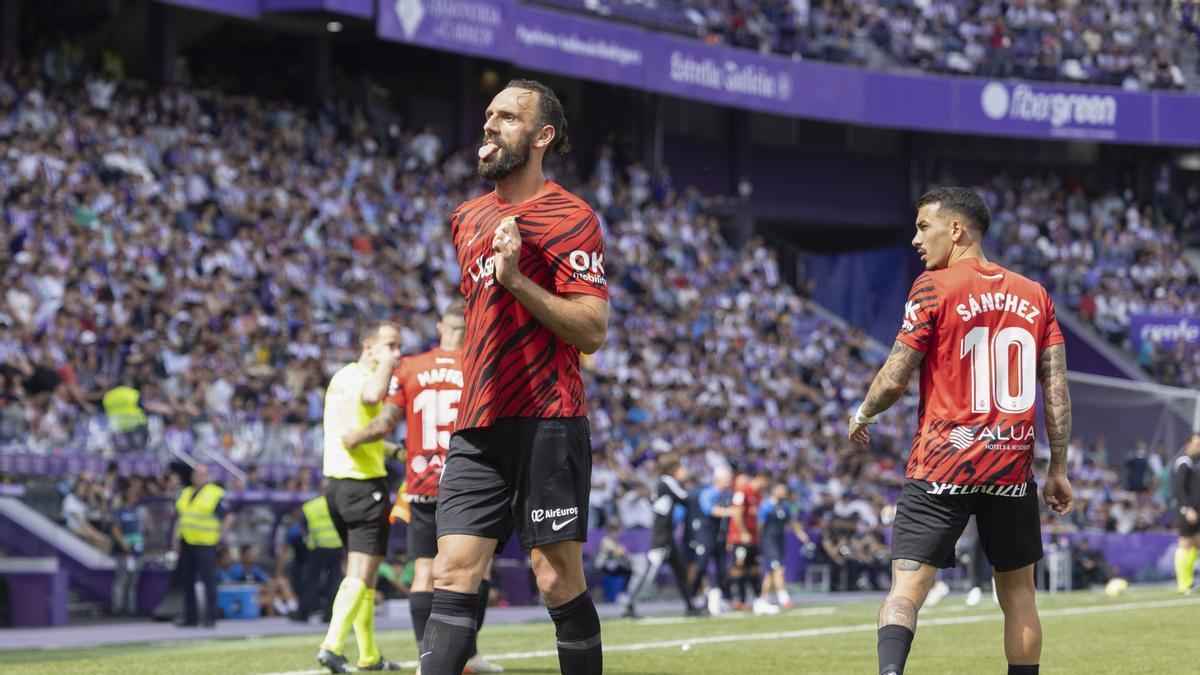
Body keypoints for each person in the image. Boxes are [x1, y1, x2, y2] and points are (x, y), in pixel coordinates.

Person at [423, 79, 608, 675]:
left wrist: (518, 280)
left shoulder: (572, 217)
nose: (490, 125)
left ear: (541, 136)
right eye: (488, 114)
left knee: (555, 579)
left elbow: (592, 330)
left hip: (549, 420)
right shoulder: (466, 218)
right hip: (476, 423)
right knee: (451, 570)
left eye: (506, 117)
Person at [848, 187, 1074, 675]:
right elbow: (1056, 390)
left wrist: (863, 414)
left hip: (941, 465)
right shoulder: (1036, 296)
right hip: (1011, 468)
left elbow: (894, 377)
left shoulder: (934, 287)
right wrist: (1058, 469)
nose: (915, 239)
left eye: (922, 226)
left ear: (956, 229)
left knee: (906, 590)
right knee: (1018, 595)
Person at [344, 299, 503, 673]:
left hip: (423, 482)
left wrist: (356, 436)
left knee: (423, 572)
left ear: (440, 329)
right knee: (477, 571)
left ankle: (426, 660)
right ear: (473, 329)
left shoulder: (411, 367)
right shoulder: (479, 367)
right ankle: (469, 656)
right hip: (471, 481)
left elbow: (384, 423)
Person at [315, 321, 404, 673]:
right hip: (364, 487)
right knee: (360, 571)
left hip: (337, 487)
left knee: (363, 577)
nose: (396, 353)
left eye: (398, 347)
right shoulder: (367, 381)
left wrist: (396, 452)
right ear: (369, 346)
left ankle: (369, 656)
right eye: (390, 346)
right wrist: (388, 364)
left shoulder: (341, 378)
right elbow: (372, 398)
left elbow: (356, 433)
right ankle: (331, 646)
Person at [621, 455, 701, 618]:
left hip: (666, 535)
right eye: (680, 468)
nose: (683, 471)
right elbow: (685, 498)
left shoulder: (662, 482)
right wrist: (691, 485)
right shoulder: (667, 481)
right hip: (661, 535)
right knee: (649, 571)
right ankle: (629, 605)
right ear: (673, 469)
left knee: (680, 570)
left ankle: (690, 605)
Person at [172, 464, 236, 627]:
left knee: (209, 580)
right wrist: (175, 538)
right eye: (196, 474)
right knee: (187, 580)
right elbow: (180, 517)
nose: (198, 477)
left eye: (202, 474)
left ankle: (210, 617)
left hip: (206, 543)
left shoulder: (215, 493)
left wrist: (219, 538)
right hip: (187, 541)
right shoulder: (185, 493)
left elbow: (228, 517)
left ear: (207, 476)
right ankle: (190, 617)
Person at [688, 465, 736, 616]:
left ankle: (726, 599)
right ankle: (694, 596)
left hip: (720, 536)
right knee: (701, 566)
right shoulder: (708, 493)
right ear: (719, 479)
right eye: (727, 478)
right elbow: (709, 510)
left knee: (723, 568)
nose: (729, 481)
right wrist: (730, 512)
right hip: (705, 534)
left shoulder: (729, 494)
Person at [758, 482, 812, 610]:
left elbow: (792, 522)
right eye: (781, 489)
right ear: (774, 490)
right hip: (769, 541)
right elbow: (760, 526)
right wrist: (761, 540)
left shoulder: (786, 506)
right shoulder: (766, 506)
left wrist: (800, 533)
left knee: (770, 572)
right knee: (778, 569)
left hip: (780, 540)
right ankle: (784, 599)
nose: (784, 491)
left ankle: (762, 599)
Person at [293, 490, 344, 623]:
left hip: (317, 548)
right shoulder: (339, 505)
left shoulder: (310, 507)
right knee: (333, 583)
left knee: (311, 582)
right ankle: (329, 615)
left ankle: (304, 614)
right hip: (336, 548)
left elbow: (303, 529)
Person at [728, 472, 774, 615]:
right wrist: (742, 532)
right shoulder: (742, 492)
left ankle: (758, 599)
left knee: (755, 568)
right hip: (740, 538)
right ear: (761, 478)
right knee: (738, 567)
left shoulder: (758, 495)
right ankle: (739, 599)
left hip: (753, 538)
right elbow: (737, 513)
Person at [1170, 433, 1200, 594]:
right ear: (1188, 444)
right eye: (1197, 444)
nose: (1199, 447)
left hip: (1194, 510)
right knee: (1185, 543)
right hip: (1186, 510)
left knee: (1196, 544)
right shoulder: (1184, 462)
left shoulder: (1193, 463)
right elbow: (1179, 488)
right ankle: (1183, 584)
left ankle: (1188, 581)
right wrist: (1187, 508)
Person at [111, 484, 144, 616]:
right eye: (132, 495)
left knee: (133, 581)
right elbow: (115, 529)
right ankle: (117, 607)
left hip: (136, 550)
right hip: (123, 551)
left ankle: (132, 608)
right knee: (121, 580)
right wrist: (124, 544)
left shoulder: (137, 512)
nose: (135, 498)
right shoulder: (120, 512)